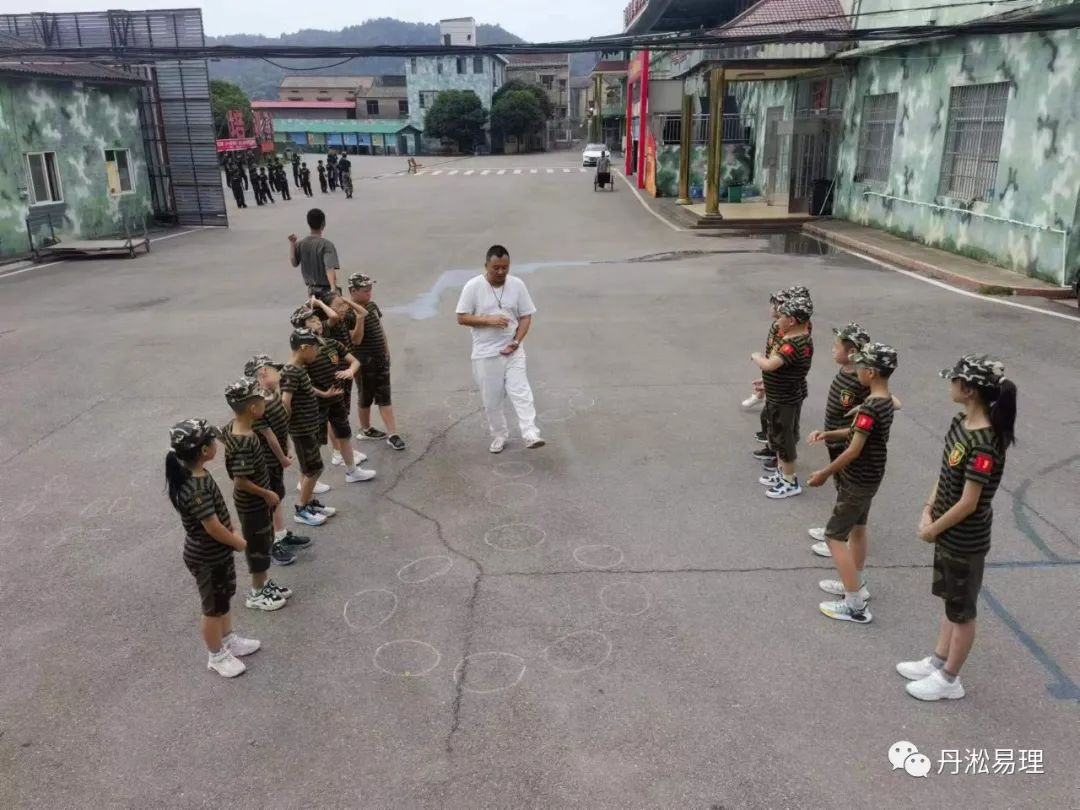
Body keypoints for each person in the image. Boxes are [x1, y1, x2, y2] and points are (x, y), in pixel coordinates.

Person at [897, 355, 1017, 702]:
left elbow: (969, 502)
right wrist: (927, 508)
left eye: (954, 380)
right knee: (952, 602)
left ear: (969, 390)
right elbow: (945, 473)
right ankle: (938, 660)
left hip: (965, 539)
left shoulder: (985, 443)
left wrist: (932, 529)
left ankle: (950, 679)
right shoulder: (960, 423)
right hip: (946, 531)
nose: (949, 385)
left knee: (962, 611)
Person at [806, 343, 898, 624]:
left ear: (871, 372)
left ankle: (855, 605)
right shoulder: (883, 400)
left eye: (860, 366)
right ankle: (856, 583)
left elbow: (854, 449)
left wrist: (824, 472)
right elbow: (859, 431)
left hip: (858, 478)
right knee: (858, 529)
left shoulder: (869, 406)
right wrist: (829, 434)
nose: (856, 370)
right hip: (871, 476)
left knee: (834, 536)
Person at [165, 418, 259, 679]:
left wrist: (232, 531)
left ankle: (228, 640)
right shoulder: (195, 488)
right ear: (205, 450)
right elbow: (212, 527)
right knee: (212, 609)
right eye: (212, 441)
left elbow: (218, 517)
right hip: (206, 557)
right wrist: (237, 541)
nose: (217, 444)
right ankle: (216, 655)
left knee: (223, 598)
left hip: (217, 553)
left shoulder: (199, 475)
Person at [455, 245, 545, 453]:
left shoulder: (517, 285)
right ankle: (499, 435)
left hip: (513, 350)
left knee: (521, 392)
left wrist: (517, 341)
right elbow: (461, 317)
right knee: (492, 401)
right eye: (496, 268)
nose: (501, 272)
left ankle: (530, 433)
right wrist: (488, 320)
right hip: (485, 354)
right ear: (486, 266)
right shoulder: (473, 287)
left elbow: (526, 316)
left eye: (505, 267)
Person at [218, 378, 289, 613]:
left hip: (258, 502)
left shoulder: (236, 427)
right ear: (253, 408)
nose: (265, 404)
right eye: (262, 401)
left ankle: (264, 583)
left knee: (265, 541)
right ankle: (256, 593)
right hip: (252, 504)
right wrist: (267, 493)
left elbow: (221, 435)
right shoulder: (243, 441)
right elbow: (240, 481)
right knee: (258, 548)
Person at [806, 322, 872, 556]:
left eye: (837, 346)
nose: (832, 349)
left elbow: (888, 400)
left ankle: (838, 536)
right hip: (835, 440)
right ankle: (838, 528)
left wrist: (866, 407)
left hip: (849, 444)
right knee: (842, 489)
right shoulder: (846, 370)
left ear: (852, 352)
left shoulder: (863, 380)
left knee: (848, 493)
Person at [244, 354, 310, 564]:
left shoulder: (272, 395)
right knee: (268, 502)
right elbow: (268, 434)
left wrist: (287, 447)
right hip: (265, 461)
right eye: (275, 370)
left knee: (277, 497)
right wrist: (282, 457)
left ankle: (280, 535)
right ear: (263, 372)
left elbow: (281, 426)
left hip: (275, 459)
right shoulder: (256, 403)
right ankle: (271, 545)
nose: (279, 374)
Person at [303, 298, 376, 479]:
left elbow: (354, 361)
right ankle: (305, 481)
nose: (318, 323)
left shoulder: (331, 343)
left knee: (344, 433)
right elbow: (301, 381)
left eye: (318, 320)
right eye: (313, 321)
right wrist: (323, 393)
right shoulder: (304, 353)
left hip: (336, 397)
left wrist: (350, 370)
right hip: (318, 403)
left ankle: (352, 471)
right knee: (314, 444)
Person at [752, 292, 813, 499]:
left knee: (784, 441)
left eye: (781, 317)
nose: (778, 320)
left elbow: (770, 365)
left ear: (792, 321)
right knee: (778, 437)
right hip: (779, 395)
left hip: (784, 399)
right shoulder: (795, 338)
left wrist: (757, 357)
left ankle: (789, 481)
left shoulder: (793, 344)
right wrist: (767, 384)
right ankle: (781, 473)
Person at [281, 327, 335, 528]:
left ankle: (310, 502)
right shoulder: (291, 371)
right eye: (314, 348)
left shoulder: (299, 368)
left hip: (309, 426)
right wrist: (284, 428)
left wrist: (323, 394)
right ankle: (301, 508)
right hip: (301, 429)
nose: (317, 352)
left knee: (309, 468)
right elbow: (285, 401)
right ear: (303, 348)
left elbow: (304, 387)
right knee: (314, 469)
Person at [348, 273, 406, 450]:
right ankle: (366, 429)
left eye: (370, 289)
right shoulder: (349, 312)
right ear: (353, 291)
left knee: (384, 396)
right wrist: (360, 317)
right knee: (365, 396)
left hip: (380, 358)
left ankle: (392, 434)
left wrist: (386, 352)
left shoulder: (372, 306)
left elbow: (381, 330)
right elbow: (356, 340)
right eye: (365, 290)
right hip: (363, 362)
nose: (369, 293)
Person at [288, 208, 340, 297]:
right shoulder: (326, 245)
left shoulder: (300, 244)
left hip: (311, 291)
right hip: (326, 291)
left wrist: (292, 243)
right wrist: (333, 287)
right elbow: (329, 267)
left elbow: (294, 262)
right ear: (323, 224)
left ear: (308, 223)